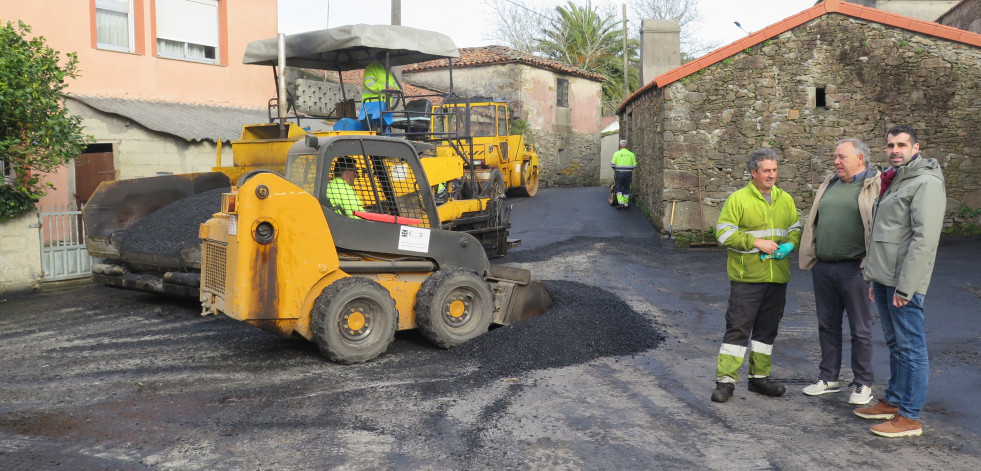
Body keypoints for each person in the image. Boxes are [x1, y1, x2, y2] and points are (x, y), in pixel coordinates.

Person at [855, 125, 945, 438]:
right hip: (884, 278)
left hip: (903, 282)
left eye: (902, 145)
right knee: (896, 344)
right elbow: (885, 234)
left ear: (916, 147)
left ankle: (910, 417)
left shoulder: (925, 182)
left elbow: (924, 239)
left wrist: (907, 287)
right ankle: (894, 401)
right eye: (891, 144)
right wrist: (873, 277)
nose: (895, 149)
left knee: (912, 348)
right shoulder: (895, 179)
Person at [711, 148, 802, 403]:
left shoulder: (785, 199)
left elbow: (795, 228)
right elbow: (724, 234)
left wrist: (790, 245)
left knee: (766, 331)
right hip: (747, 278)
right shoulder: (738, 199)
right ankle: (725, 382)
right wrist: (757, 242)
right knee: (738, 330)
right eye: (766, 171)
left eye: (774, 170)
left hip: (777, 278)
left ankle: (759, 379)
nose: (772, 175)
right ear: (753, 173)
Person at [798, 138, 881, 405]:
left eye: (841, 157)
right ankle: (829, 378)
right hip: (823, 266)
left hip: (854, 268)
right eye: (835, 157)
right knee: (827, 325)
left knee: (860, 329)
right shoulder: (830, 183)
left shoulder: (875, 185)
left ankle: (863, 383)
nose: (835, 162)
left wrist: (874, 269)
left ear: (860, 158)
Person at [611, 140, 637, 209]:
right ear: (627, 146)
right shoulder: (631, 154)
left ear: (620, 146)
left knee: (618, 187)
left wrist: (615, 170)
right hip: (628, 174)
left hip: (619, 173)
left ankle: (621, 202)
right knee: (627, 188)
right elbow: (634, 165)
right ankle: (626, 204)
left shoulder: (616, 154)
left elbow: (613, 164)